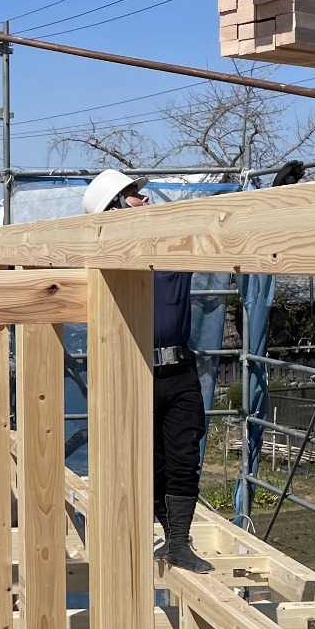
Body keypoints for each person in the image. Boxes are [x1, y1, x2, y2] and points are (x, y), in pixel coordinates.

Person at [82, 169, 214, 572]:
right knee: (149, 461)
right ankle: (164, 536)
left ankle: (179, 543)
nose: (146, 200)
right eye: (136, 196)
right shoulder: (103, 265)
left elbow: (223, 228)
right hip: (134, 371)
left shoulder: (174, 250)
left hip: (179, 371)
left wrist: (275, 192)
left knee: (183, 456)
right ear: (116, 208)